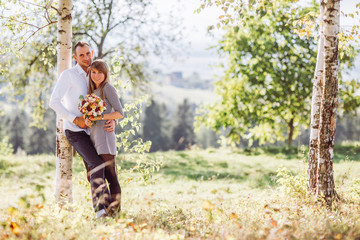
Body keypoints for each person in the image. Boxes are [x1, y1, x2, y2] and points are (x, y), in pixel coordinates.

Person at [49, 41, 115, 218]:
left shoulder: (96, 74)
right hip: (75, 131)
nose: (86, 58)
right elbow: (53, 102)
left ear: (91, 53)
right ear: (75, 57)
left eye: (88, 54)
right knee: (96, 164)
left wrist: (113, 121)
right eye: (82, 55)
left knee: (99, 169)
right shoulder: (68, 75)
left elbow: (107, 101)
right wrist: (75, 119)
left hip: (95, 131)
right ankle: (100, 211)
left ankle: (110, 210)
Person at [84, 59, 124, 215]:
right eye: (93, 72)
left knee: (111, 176)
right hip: (95, 137)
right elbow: (92, 115)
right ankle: (107, 209)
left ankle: (116, 212)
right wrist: (88, 119)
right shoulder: (93, 92)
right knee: (101, 176)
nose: (96, 75)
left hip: (105, 137)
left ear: (105, 73)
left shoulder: (108, 88)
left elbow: (119, 112)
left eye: (100, 72)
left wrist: (99, 118)